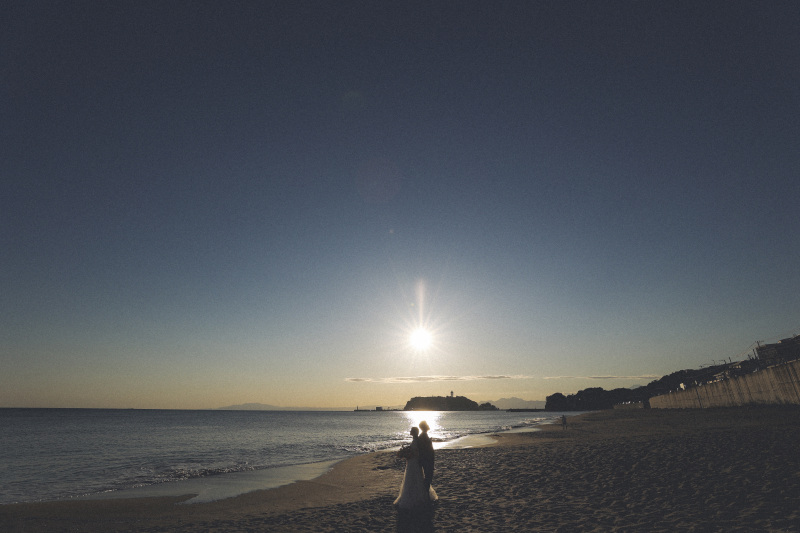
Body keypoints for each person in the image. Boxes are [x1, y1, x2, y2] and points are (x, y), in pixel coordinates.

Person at [394, 427, 437, 510]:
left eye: (411, 430)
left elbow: (417, 453)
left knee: (414, 478)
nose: (410, 431)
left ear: (414, 432)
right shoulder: (416, 439)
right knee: (412, 479)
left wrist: (408, 455)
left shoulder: (417, 440)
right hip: (412, 462)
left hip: (414, 462)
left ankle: (416, 498)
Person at [417, 421, 435, 493]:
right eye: (427, 425)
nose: (428, 425)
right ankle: (425, 493)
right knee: (428, 476)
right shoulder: (423, 436)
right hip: (427, 459)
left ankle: (425, 492)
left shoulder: (424, 435)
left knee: (429, 476)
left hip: (428, 458)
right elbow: (423, 448)